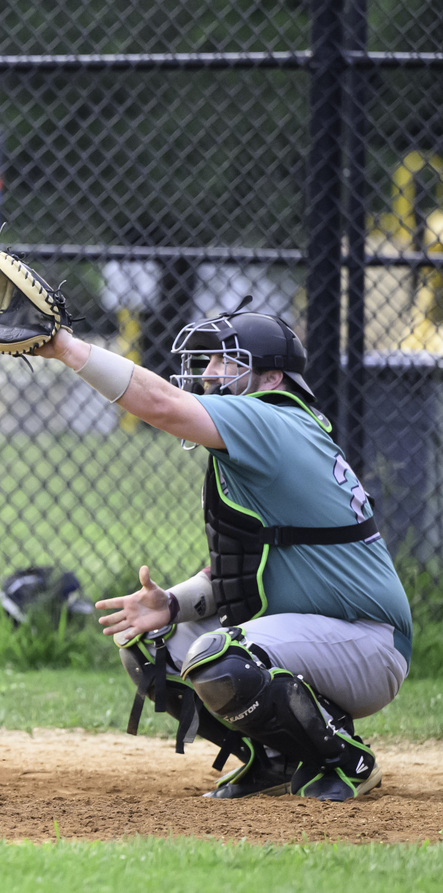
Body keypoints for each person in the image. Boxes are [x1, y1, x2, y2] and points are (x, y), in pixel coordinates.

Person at [29, 303, 412, 801]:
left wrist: (65, 347)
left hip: (368, 645)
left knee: (223, 657)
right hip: (319, 633)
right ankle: (275, 757)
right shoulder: (267, 433)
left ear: (271, 377)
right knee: (156, 644)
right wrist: (170, 604)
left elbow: (161, 404)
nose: (207, 374)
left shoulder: (271, 419)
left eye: (224, 363)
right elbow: (245, 569)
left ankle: (345, 761)